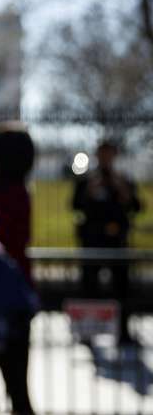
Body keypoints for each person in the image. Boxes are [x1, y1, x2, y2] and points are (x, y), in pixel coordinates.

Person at [72, 139, 143, 345]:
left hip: (117, 241)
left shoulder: (122, 180)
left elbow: (136, 206)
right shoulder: (87, 180)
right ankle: (87, 332)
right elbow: (75, 205)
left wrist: (123, 192)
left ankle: (123, 332)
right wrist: (89, 192)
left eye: (109, 154)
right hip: (93, 240)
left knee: (122, 287)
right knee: (89, 287)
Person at [0, 121, 36, 415]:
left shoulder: (3, 195)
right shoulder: (22, 191)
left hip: (3, 294)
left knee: (12, 380)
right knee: (17, 379)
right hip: (20, 289)